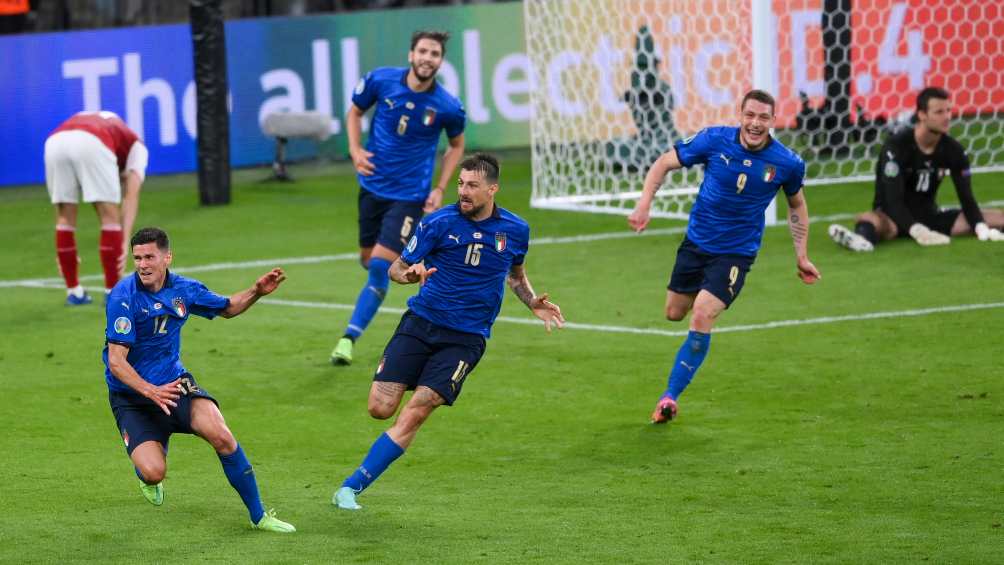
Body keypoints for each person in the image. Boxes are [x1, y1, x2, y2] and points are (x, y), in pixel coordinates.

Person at [332, 153, 564, 510]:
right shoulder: (437, 223)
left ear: (492, 189)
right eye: (460, 184)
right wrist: (409, 276)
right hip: (420, 324)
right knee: (380, 408)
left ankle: (351, 487)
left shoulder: (516, 230)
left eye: (472, 185)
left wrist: (532, 301)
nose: (464, 191)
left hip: (465, 339)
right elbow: (396, 268)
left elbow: (515, 275)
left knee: (417, 411)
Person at [628, 89, 821, 424]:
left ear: (773, 121)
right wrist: (645, 202)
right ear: (740, 115)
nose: (755, 123)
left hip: (736, 254)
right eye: (750, 115)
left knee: (702, 313)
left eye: (763, 117)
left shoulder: (787, 163)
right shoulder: (714, 141)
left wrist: (801, 255)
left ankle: (669, 397)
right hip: (696, 244)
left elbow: (797, 205)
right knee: (674, 312)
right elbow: (663, 163)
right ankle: (676, 380)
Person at [103, 227, 295, 533]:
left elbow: (228, 308)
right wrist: (150, 391)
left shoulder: (184, 290)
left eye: (149, 256)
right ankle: (148, 471)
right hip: (133, 398)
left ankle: (259, 515)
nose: (142, 264)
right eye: (137, 258)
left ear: (167, 257)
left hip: (175, 385)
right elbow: (116, 361)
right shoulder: (123, 298)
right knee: (154, 472)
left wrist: (256, 291)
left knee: (222, 436)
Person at [331, 29, 467, 365]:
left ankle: (348, 339)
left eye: (434, 54)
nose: (427, 58)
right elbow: (354, 112)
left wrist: (439, 188)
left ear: (440, 61)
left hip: (410, 197)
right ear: (411, 54)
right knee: (368, 259)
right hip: (372, 188)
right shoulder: (381, 81)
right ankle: (414, 269)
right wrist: (354, 149)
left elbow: (456, 145)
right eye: (423, 51)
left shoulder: (447, 106)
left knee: (379, 266)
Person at [828, 87, 1004, 251]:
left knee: (997, 217)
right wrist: (917, 231)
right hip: (893, 218)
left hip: (930, 216)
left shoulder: (954, 150)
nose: (947, 117)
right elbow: (892, 200)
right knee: (871, 219)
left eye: (948, 110)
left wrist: (981, 229)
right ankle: (861, 240)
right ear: (922, 115)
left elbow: (967, 197)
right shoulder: (896, 147)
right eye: (939, 112)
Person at [45, 110, 147, 305]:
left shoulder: (104, 122)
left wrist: (64, 250)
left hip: (55, 141)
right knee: (110, 217)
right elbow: (131, 196)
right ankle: (113, 293)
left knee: (64, 217)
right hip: (93, 141)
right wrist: (125, 242)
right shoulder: (137, 147)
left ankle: (74, 292)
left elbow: (60, 211)